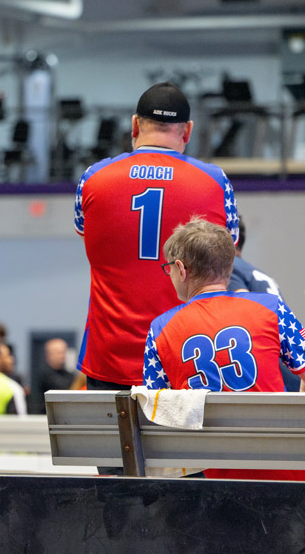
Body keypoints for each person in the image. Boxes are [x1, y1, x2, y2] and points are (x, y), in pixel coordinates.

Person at [75, 82, 239, 391]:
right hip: (185, 353)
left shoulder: (93, 177)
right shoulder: (215, 182)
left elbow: (84, 231)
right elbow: (227, 248)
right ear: (187, 131)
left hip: (109, 355)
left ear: (135, 125)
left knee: (113, 441)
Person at [144, 219, 305, 481]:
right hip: (284, 472)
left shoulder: (160, 329)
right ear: (228, 267)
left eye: (169, 269)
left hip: (207, 480)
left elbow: (154, 411)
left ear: (181, 269)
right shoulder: (271, 308)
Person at [227, 218, 298, 392]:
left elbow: (246, 312)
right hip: (290, 364)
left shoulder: (230, 269)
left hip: (276, 371)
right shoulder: (255, 271)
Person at [29, 338, 76, 415]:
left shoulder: (71, 376)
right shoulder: (40, 377)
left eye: (64, 352)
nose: (62, 356)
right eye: (59, 353)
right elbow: (36, 403)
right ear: (49, 354)